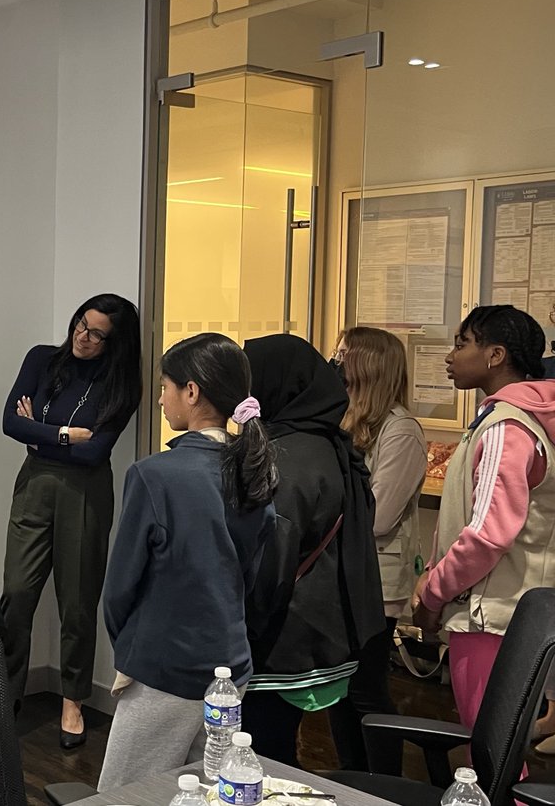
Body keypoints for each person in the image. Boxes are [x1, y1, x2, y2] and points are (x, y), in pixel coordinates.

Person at [96, 333, 277, 788]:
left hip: (165, 664)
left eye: (164, 387)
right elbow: (250, 578)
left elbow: (119, 587)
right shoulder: (254, 473)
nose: (160, 399)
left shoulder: (154, 475)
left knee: (125, 795)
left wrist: (132, 653)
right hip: (231, 665)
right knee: (210, 790)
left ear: (191, 391)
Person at [0, 293, 142, 749]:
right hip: (35, 484)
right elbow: (9, 423)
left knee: (78, 600)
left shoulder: (121, 384)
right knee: (17, 594)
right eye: (82, 324)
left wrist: (38, 436)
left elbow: (96, 450)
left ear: (114, 342)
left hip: (86, 492)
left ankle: (74, 700)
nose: (83, 336)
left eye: (97, 333)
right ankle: (5, 695)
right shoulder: (41, 360)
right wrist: (62, 435)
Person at [239, 334, 384, 767]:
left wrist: (239, 628)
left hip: (282, 644)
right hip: (322, 633)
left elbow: (271, 562)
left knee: (262, 760)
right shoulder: (326, 444)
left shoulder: (287, 458)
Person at [411, 305, 555, 729]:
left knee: (491, 749)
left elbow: (488, 534)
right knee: (505, 747)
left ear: (495, 356)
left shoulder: (506, 426)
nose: (449, 357)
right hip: (518, 611)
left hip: (491, 616)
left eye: (461, 344)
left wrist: (433, 594)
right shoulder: (527, 419)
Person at [326, 327, 426, 772]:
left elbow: (379, 517)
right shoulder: (348, 421)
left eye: (343, 354)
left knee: (366, 689)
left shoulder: (401, 430)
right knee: (341, 690)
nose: (334, 360)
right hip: (346, 575)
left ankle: (384, 783)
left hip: (377, 580)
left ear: (367, 364)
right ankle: (353, 780)